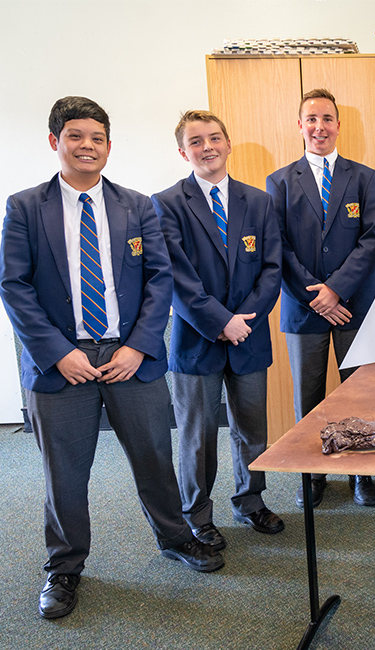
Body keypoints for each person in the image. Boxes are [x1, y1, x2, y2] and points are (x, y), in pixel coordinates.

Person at [0, 96, 223, 620]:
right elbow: (15, 286)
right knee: (65, 475)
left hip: (131, 360)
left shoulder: (137, 205)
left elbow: (159, 280)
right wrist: (58, 354)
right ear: (56, 142)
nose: (87, 146)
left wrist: (139, 345)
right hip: (63, 366)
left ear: (108, 146)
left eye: (97, 138)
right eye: (76, 136)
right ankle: (65, 567)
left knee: (155, 460)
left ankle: (176, 537)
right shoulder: (25, 207)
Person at [151, 110, 284, 550]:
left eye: (214, 138)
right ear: (182, 151)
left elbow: (271, 269)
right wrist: (219, 321)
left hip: (248, 336)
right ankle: (197, 515)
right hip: (196, 340)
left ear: (228, 143)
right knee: (198, 435)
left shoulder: (258, 201)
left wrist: (242, 320)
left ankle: (250, 500)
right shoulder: (166, 203)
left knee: (252, 428)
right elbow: (175, 275)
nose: (207, 147)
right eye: (196, 141)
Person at [266, 88, 375, 509]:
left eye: (327, 119)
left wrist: (336, 289)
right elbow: (278, 248)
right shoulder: (279, 181)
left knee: (358, 392)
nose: (320, 127)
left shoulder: (364, 177)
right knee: (309, 395)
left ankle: (361, 472)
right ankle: (314, 473)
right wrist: (317, 296)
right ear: (300, 125)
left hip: (354, 304)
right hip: (304, 309)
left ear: (339, 125)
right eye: (311, 119)